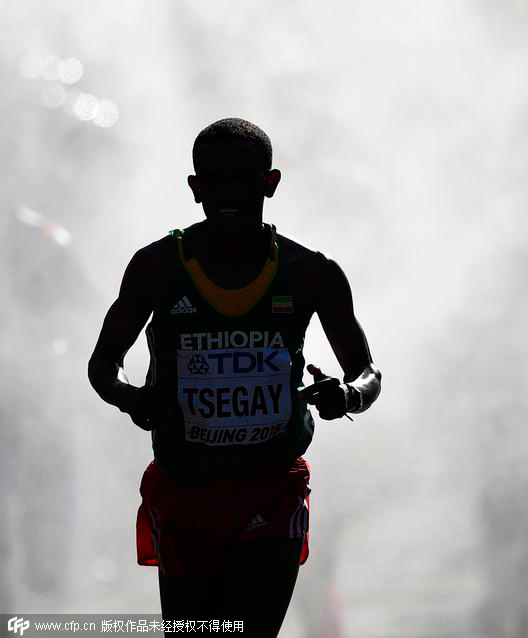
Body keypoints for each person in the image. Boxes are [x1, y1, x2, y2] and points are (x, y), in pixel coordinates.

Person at [88, 118, 381, 637]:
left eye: (242, 179)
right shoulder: (157, 267)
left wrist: (347, 395)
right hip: (185, 491)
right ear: (195, 187)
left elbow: (367, 371)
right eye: (214, 181)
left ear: (270, 183)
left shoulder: (312, 272)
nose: (227, 194)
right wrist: (131, 398)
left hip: (272, 490)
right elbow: (102, 363)